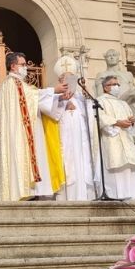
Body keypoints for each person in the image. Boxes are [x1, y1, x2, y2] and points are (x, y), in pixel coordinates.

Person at [0, 51, 68, 201]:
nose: (25, 68)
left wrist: (59, 97)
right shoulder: (12, 82)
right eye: (23, 65)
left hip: (27, 128)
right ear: (13, 66)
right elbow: (31, 95)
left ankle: (33, 191)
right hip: (21, 132)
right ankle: (26, 191)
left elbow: (36, 98)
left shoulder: (18, 84)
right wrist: (53, 90)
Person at [52, 56, 95, 201]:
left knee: (83, 163)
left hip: (81, 138)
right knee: (68, 163)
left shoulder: (81, 97)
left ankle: (86, 195)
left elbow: (90, 114)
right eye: (65, 78)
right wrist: (63, 103)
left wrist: (87, 97)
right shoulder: (55, 95)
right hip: (64, 137)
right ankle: (66, 196)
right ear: (60, 81)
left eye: (71, 78)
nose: (68, 81)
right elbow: (51, 113)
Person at [96, 75, 135, 200]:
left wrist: (132, 121)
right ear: (105, 87)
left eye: (118, 84)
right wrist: (117, 122)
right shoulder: (100, 101)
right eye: (113, 84)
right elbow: (100, 118)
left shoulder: (123, 103)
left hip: (126, 139)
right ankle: (116, 196)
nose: (117, 87)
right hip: (112, 139)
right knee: (116, 166)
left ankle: (132, 196)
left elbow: (131, 119)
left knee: (129, 167)